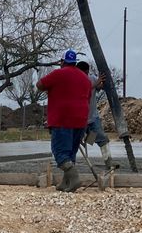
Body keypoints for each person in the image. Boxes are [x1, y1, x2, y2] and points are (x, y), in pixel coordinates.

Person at [37, 49, 91, 192]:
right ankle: (65, 183)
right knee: (70, 153)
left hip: (62, 118)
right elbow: (89, 97)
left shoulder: (58, 74)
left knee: (60, 152)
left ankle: (74, 178)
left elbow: (40, 85)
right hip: (81, 120)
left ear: (62, 62)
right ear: (75, 62)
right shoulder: (85, 78)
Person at [77, 59, 119, 170]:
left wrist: (102, 82)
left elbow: (99, 86)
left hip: (93, 117)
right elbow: (83, 90)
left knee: (103, 138)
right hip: (79, 118)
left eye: (87, 73)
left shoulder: (91, 78)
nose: (85, 75)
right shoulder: (75, 81)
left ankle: (108, 163)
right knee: (75, 139)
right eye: (84, 73)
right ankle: (69, 163)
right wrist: (96, 83)